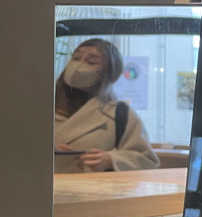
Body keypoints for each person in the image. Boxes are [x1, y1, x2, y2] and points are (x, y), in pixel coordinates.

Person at [54, 38, 158, 172]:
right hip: (42, 184)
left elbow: (147, 160)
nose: (78, 66)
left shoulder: (119, 113)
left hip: (91, 185)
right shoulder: (42, 104)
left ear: (109, 73)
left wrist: (111, 160)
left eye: (91, 61)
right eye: (76, 58)